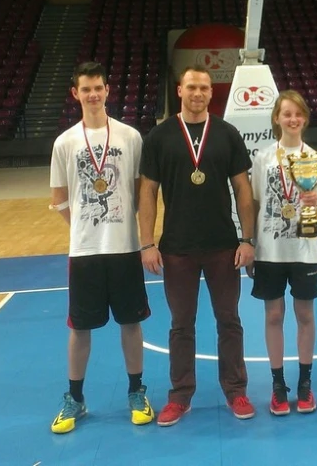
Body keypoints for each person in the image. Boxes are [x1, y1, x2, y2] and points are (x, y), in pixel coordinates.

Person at [138, 66, 256, 426]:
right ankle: (180, 395)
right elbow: (147, 192)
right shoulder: (159, 136)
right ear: (180, 90)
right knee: (181, 324)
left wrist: (247, 239)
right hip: (177, 247)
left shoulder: (226, 133)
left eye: (204, 87)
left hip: (223, 244)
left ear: (210, 92)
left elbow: (243, 190)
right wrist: (146, 243)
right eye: (192, 86)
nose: (198, 93)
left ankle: (236, 391)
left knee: (229, 321)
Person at [49, 61, 153, 434]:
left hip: (124, 248)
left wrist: (131, 229)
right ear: (76, 94)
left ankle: (136, 391)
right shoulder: (65, 142)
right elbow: (59, 197)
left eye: (99, 88)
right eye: (86, 89)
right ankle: (75, 397)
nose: (93, 95)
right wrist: (82, 227)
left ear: (108, 91)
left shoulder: (130, 136)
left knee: (131, 321)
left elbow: (143, 190)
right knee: (80, 328)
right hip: (85, 251)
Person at [251, 91, 317, 416]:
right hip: (270, 250)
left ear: (304, 119)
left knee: (305, 316)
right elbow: (257, 204)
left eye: (298, 114)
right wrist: (250, 243)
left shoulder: (315, 159)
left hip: (304, 249)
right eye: (286, 114)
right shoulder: (263, 159)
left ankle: (304, 383)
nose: (292, 119)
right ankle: (278, 385)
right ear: (277, 118)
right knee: (273, 316)